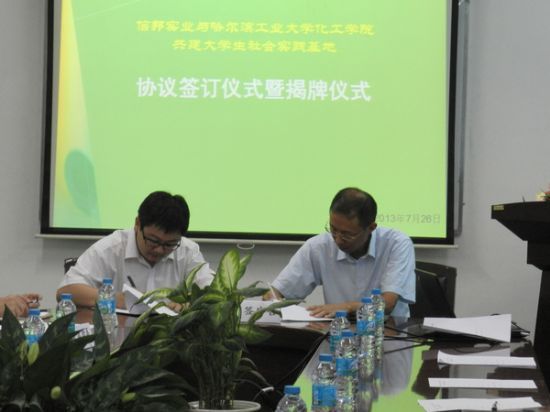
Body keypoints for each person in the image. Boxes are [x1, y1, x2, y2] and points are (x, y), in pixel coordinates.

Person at [265, 187, 415, 317]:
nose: (338, 240)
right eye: (333, 229)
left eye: (347, 234)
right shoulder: (318, 247)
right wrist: (273, 302)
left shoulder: (396, 244)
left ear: (371, 228)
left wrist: (347, 307)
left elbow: (388, 303)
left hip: (388, 333)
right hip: (337, 333)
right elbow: (276, 292)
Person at [57, 191, 213, 308]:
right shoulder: (111, 248)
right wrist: (115, 300)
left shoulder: (187, 251)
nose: (159, 250)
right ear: (137, 224)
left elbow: (213, 293)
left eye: (169, 244)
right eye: (153, 241)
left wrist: (187, 306)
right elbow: (65, 291)